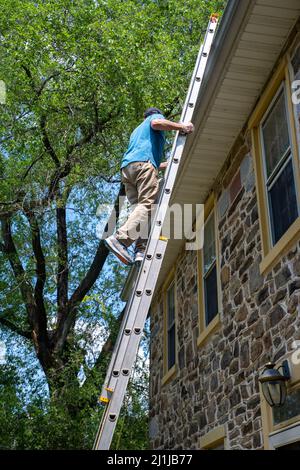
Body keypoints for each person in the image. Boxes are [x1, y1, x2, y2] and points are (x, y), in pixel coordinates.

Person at [105, 107, 194, 265]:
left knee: (139, 210)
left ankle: (140, 249)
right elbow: (157, 123)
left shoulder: (137, 131)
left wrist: (171, 164)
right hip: (143, 165)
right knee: (147, 205)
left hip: (128, 169)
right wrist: (181, 127)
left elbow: (151, 160)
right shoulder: (153, 118)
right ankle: (121, 239)